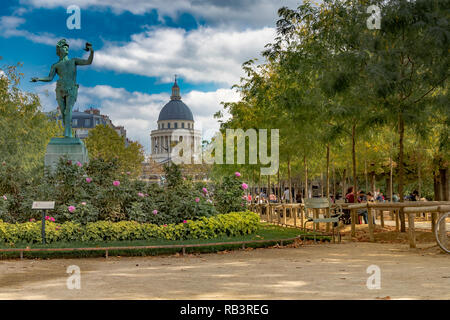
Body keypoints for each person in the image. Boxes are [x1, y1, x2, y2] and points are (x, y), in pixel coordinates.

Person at [31, 39, 94, 138]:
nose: (66, 48)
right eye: (64, 47)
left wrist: (91, 51)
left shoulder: (73, 61)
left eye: (67, 47)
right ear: (59, 50)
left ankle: (67, 134)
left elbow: (88, 62)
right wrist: (38, 79)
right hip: (60, 89)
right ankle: (69, 131)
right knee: (63, 113)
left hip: (71, 88)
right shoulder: (56, 65)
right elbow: (49, 78)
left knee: (68, 110)